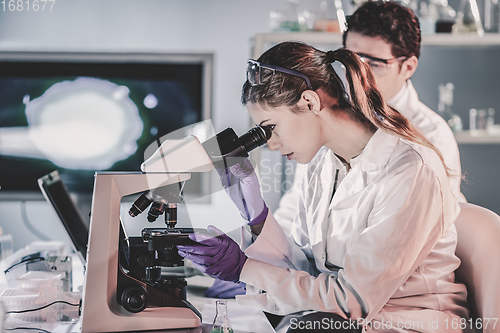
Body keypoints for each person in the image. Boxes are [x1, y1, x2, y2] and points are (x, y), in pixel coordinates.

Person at [178, 42, 471, 332]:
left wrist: (244, 268)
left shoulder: (410, 171)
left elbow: (351, 301)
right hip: (336, 321)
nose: (270, 144)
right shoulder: (324, 165)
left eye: (271, 127)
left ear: (309, 102)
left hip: (409, 322)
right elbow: (308, 271)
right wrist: (258, 217)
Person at [274, 1, 465, 239]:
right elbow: (297, 205)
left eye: (373, 64)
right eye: (350, 61)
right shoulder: (331, 119)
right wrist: (262, 254)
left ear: (408, 67)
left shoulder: (430, 136)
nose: (356, 75)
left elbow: (405, 240)